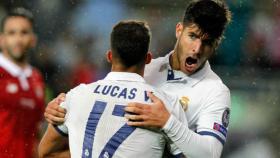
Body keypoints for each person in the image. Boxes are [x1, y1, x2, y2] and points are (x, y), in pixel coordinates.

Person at [45, 0, 232, 157]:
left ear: (216, 45)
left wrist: (168, 123)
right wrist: (62, 109)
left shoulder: (214, 91)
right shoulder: (144, 68)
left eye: (207, 43)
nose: (197, 49)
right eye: (192, 36)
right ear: (179, 30)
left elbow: (210, 153)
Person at [39, 20, 187, 158]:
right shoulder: (165, 105)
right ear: (148, 59)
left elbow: (46, 152)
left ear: (109, 56)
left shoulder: (76, 96)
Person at [0, 8, 45, 158]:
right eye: (11, 33)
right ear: (1, 39)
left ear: (33, 39)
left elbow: (38, 128)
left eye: (24, 32)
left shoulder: (36, 77)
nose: (18, 39)